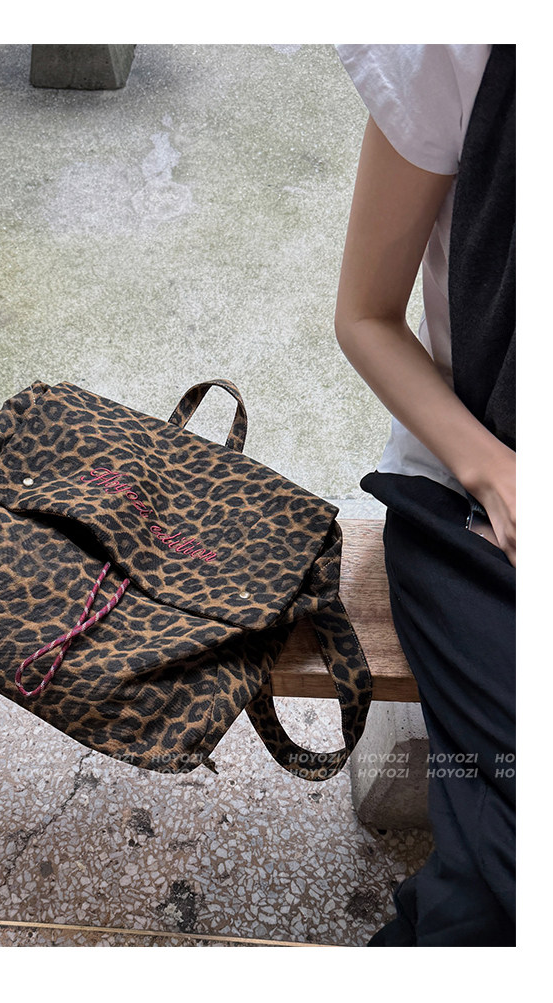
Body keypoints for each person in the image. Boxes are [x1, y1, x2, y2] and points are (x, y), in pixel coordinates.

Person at [333, 44, 515, 946]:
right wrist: (497, 473)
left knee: (481, 896)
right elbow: (364, 314)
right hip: (477, 508)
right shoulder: (463, 43)